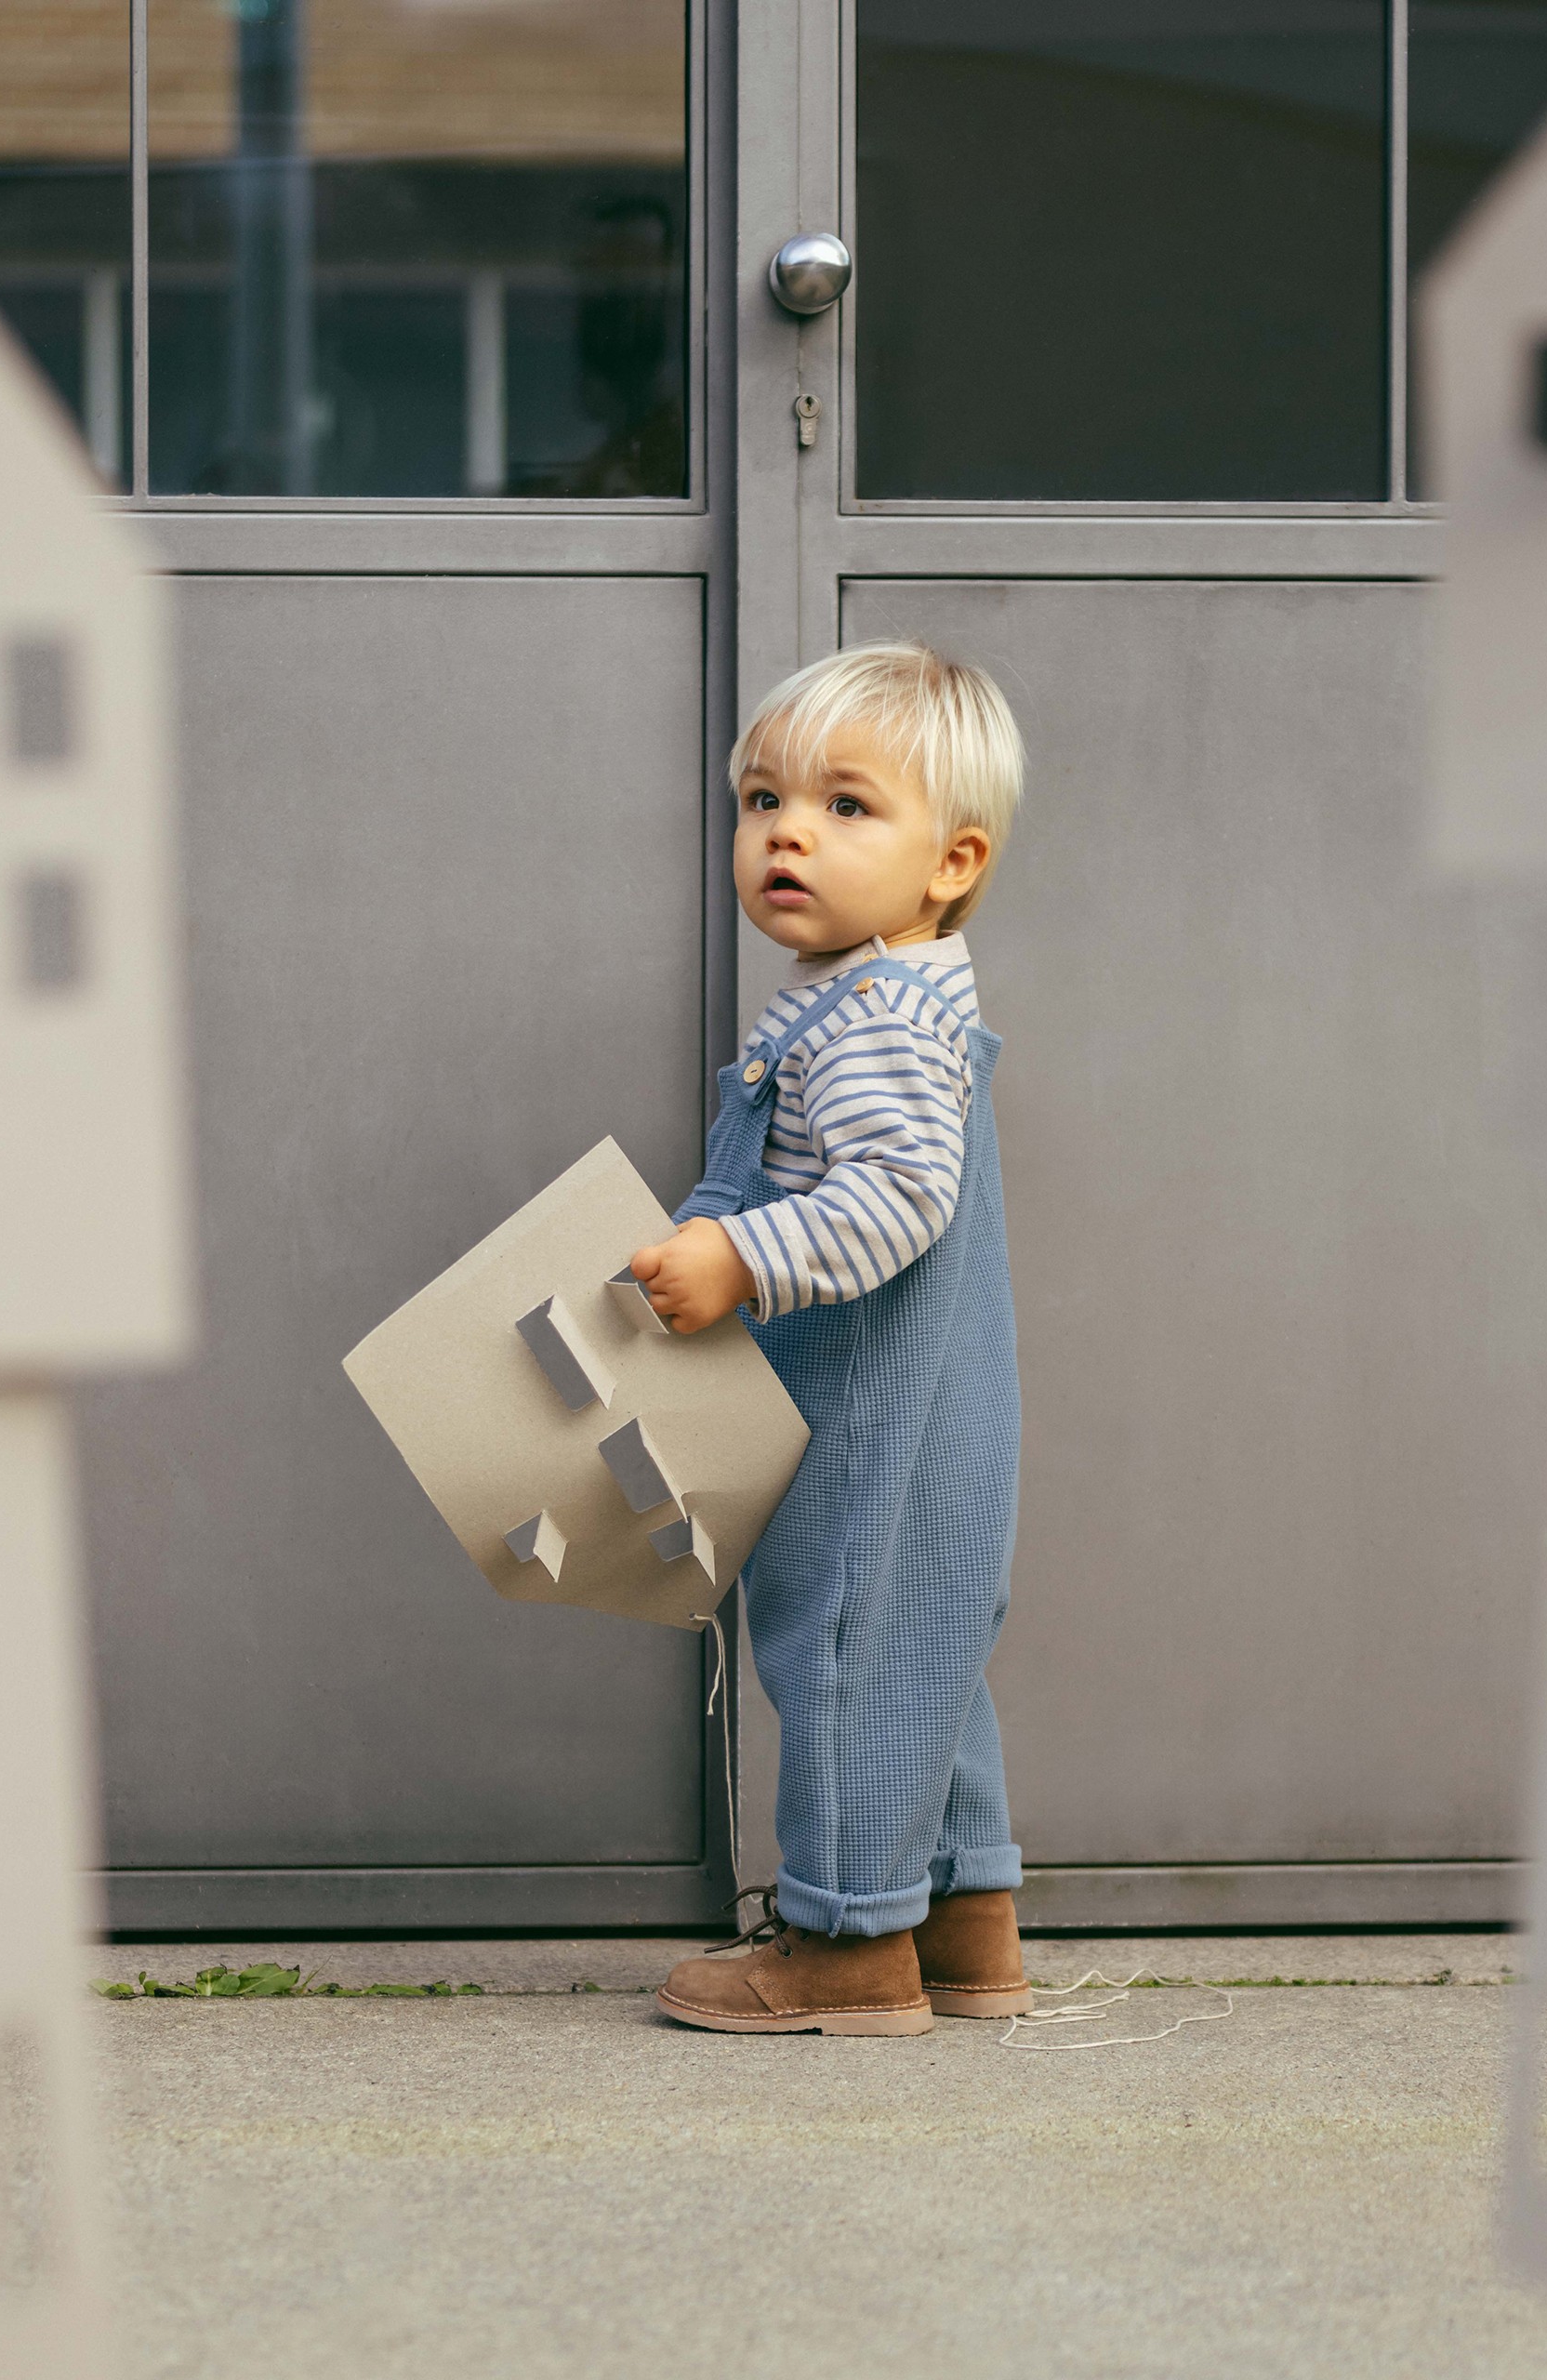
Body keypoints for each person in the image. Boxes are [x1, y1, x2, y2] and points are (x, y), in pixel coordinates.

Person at [628, 641, 1033, 2035]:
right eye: (761, 801)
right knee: (924, 1653)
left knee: (844, 1648)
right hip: (941, 1409)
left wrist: (737, 1253)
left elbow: (897, 1200)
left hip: (863, 1416)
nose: (786, 830)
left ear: (950, 863)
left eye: (846, 806)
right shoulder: (895, 1000)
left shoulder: (873, 1024)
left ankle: (850, 1946)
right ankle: (969, 1921)